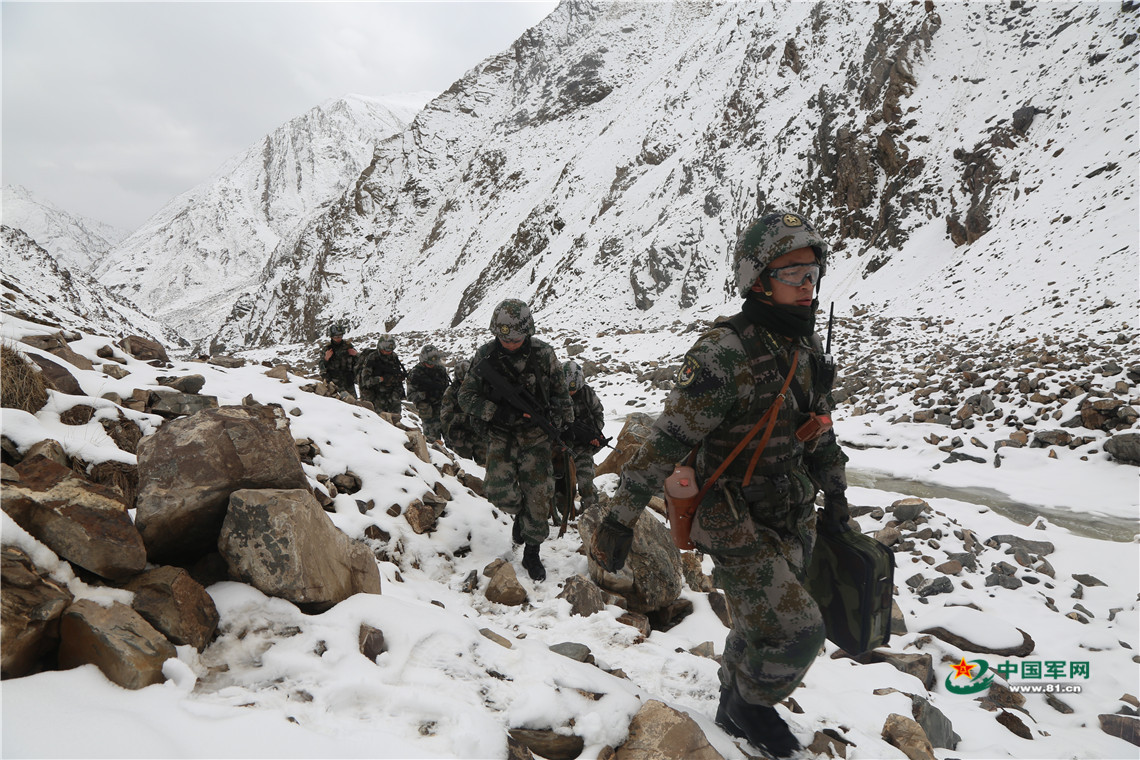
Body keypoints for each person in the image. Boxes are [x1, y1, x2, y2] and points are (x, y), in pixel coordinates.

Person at [588, 211, 850, 758]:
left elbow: (817, 428)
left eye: (812, 273)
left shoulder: (805, 349)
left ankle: (732, 703)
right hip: (731, 516)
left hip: (790, 509)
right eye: (792, 273)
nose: (807, 286)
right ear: (758, 279)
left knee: (758, 620)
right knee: (799, 631)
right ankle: (752, 707)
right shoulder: (724, 353)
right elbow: (665, 441)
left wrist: (837, 492)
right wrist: (620, 517)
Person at [459, 299, 572, 582]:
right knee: (498, 491)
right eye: (504, 338)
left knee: (538, 496)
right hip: (501, 434)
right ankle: (521, 518)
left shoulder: (543, 354)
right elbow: (466, 396)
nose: (510, 343)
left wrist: (559, 426)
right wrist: (498, 413)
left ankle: (532, 552)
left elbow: (561, 395)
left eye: (516, 338)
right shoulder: (485, 356)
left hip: (536, 437)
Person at [558, 360, 605, 517]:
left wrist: (594, 435)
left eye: (573, 389)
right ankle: (565, 513)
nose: (570, 393)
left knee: (586, 483)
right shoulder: (554, 394)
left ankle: (592, 515)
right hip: (560, 447)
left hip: (582, 446)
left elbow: (599, 415)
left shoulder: (587, 394)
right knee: (561, 487)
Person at [441, 358, 484, 464]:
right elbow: (445, 416)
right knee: (464, 467)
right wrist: (465, 418)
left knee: (485, 467)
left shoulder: (480, 388)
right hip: (460, 438)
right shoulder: (451, 392)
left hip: (479, 435)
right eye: (462, 381)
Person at [356, 334, 407, 416]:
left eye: (390, 350)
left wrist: (398, 377)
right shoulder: (372, 358)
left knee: (395, 421)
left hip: (392, 396)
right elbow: (366, 381)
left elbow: (397, 372)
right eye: (386, 350)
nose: (388, 352)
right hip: (377, 397)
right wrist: (381, 379)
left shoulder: (393, 356)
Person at [407, 345, 450, 442]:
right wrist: (425, 394)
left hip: (444, 411)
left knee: (452, 442)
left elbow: (447, 388)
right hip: (429, 415)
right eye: (429, 363)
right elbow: (410, 396)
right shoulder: (415, 373)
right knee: (433, 443)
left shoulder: (440, 370)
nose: (432, 365)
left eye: (433, 363)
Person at [318, 323, 359, 397]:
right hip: (334, 384)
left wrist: (356, 354)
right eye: (336, 337)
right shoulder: (327, 349)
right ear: (331, 337)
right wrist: (326, 359)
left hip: (348, 382)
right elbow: (321, 367)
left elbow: (359, 362)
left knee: (354, 404)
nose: (338, 338)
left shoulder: (348, 346)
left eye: (340, 336)